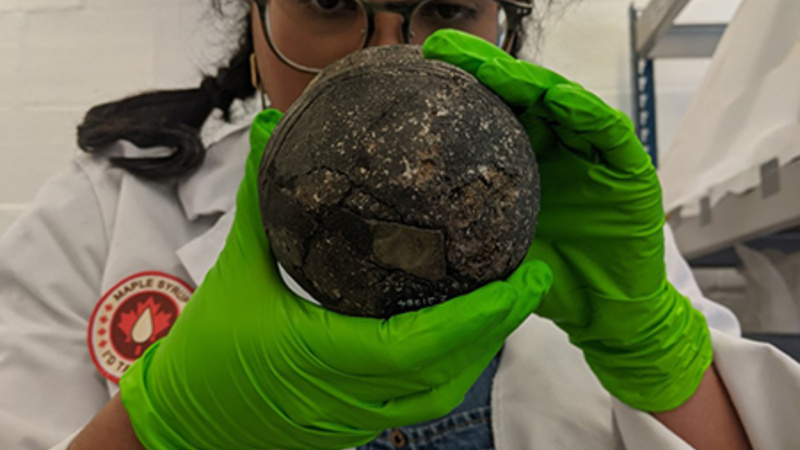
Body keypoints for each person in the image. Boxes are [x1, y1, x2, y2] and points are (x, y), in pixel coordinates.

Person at [1, 0, 799, 448]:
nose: (387, 60)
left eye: (445, 8)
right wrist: (160, 427)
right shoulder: (102, 214)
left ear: (501, 34)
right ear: (255, 23)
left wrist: (658, 353)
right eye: (328, 4)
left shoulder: (583, 216)